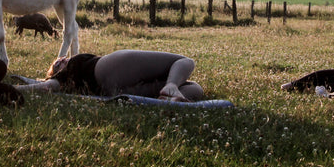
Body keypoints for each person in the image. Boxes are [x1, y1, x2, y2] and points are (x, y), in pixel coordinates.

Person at [17, 49, 205, 101]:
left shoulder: (72, 82)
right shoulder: (75, 64)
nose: (63, 59)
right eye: (57, 63)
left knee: (195, 88)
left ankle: (169, 92)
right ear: (57, 70)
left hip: (114, 90)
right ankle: (171, 85)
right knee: (185, 61)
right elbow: (47, 85)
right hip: (111, 67)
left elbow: (48, 87)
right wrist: (15, 89)